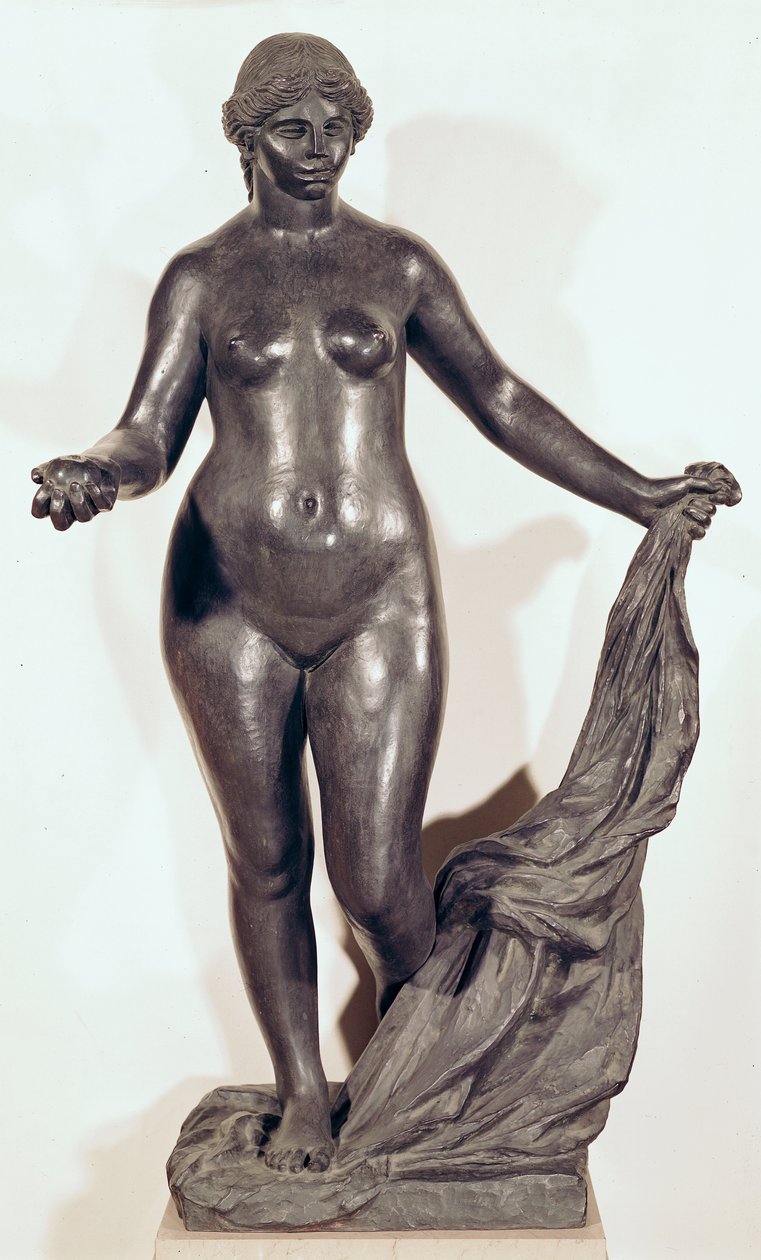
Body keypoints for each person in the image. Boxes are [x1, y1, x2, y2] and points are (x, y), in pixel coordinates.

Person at [30, 33, 720, 1175]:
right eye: (292, 126)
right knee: (264, 858)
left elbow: (501, 398)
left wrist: (638, 494)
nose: (320, 147)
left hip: (377, 598)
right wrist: (95, 473)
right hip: (225, 599)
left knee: (377, 877)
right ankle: (305, 1091)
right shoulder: (202, 278)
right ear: (243, 136)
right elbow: (147, 432)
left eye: (338, 125)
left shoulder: (395, 265)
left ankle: (431, 1057)